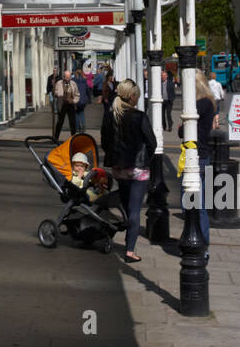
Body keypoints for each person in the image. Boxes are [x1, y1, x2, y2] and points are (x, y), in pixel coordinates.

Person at [101, 78, 156, 264]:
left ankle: (126, 237)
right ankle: (130, 250)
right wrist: (145, 157)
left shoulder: (111, 115)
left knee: (126, 206)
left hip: (119, 168)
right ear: (132, 97)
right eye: (137, 96)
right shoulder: (140, 117)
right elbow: (152, 143)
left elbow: (104, 141)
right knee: (134, 210)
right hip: (138, 169)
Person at [178, 69, 217, 250]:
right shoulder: (208, 103)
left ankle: (200, 245)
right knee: (194, 203)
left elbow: (183, 130)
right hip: (202, 154)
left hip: (196, 156)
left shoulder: (199, 105)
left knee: (194, 205)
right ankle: (199, 242)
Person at [53, 69, 80, 142]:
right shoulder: (59, 83)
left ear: (70, 77)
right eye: (66, 77)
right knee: (60, 122)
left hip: (70, 105)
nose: (67, 79)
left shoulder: (73, 84)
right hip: (62, 104)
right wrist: (58, 94)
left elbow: (77, 95)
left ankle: (73, 137)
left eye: (69, 77)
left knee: (72, 122)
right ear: (63, 77)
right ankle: (56, 138)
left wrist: (74, 101)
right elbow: (55, 92)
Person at [73, 66, 91, 133]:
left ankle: (77, 127)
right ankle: (83, 126)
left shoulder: (73, 81)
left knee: (76, 113)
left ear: (75, 73)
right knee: (82, 113)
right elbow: (87, 90)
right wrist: (89, 99)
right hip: (83, 100)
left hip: (76, 99)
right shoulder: (84, 80)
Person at [162, 65, 176, 131]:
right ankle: (164, 126)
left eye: (165, 76)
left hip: (169, 100)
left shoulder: (170, 83)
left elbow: (173, 92)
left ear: (167, 76)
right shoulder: (159, 83)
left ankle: (170, 126)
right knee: (162, 115)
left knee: (168, 114)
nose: (163, 77)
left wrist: (172, 99)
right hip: (162, 101)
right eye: (162, 76)